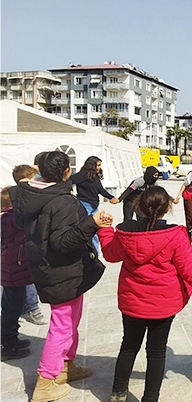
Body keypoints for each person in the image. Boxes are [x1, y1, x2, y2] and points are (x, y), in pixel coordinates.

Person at [99, 186, 192, 402]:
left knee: (128, 347)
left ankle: (118, 392)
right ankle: (150, 398)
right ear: (167, 208)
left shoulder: (125, 232)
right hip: (163, 306)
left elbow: (109, 254)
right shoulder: (175, 235)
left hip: (132, 302)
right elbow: (191, 274)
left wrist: (105, 229)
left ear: (139, 206)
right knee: (156, 352)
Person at [14, 151, 112, 402]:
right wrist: (91, 222)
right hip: (61, 270)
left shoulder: (30, 193)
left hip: (52, 267)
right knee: (62, 325)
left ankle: (67, 365)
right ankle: (46, 381)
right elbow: (63, 243)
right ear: (66, 171)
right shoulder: (62, 201)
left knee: (71, 320)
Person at [11, 164, 48, 326]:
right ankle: (32, 308)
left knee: (23, 278)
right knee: (27, 277)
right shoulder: (20, 195)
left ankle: (26, 308)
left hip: (24, 243)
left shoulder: (22, 193)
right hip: (21, 245)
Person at [0, 186, 33, 361]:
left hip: (10, 266)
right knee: (12, 307)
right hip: (14, 267)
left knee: (11, 304)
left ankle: (12, 338)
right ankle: (7, 344)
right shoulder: (12, 219)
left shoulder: (6, 217)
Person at [71, 156, 119, 253]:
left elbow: (100, 190)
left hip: (94, 206)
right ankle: (85, 251)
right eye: (98, 165)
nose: (99, 167)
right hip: (84, 205)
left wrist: (111, 197)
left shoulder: (95, 176)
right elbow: (69, 181)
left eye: (100, 165)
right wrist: (70, 190)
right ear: (91, 165)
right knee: (87, 229)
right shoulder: (81, 176)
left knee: (97, 228)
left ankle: (95, 252)